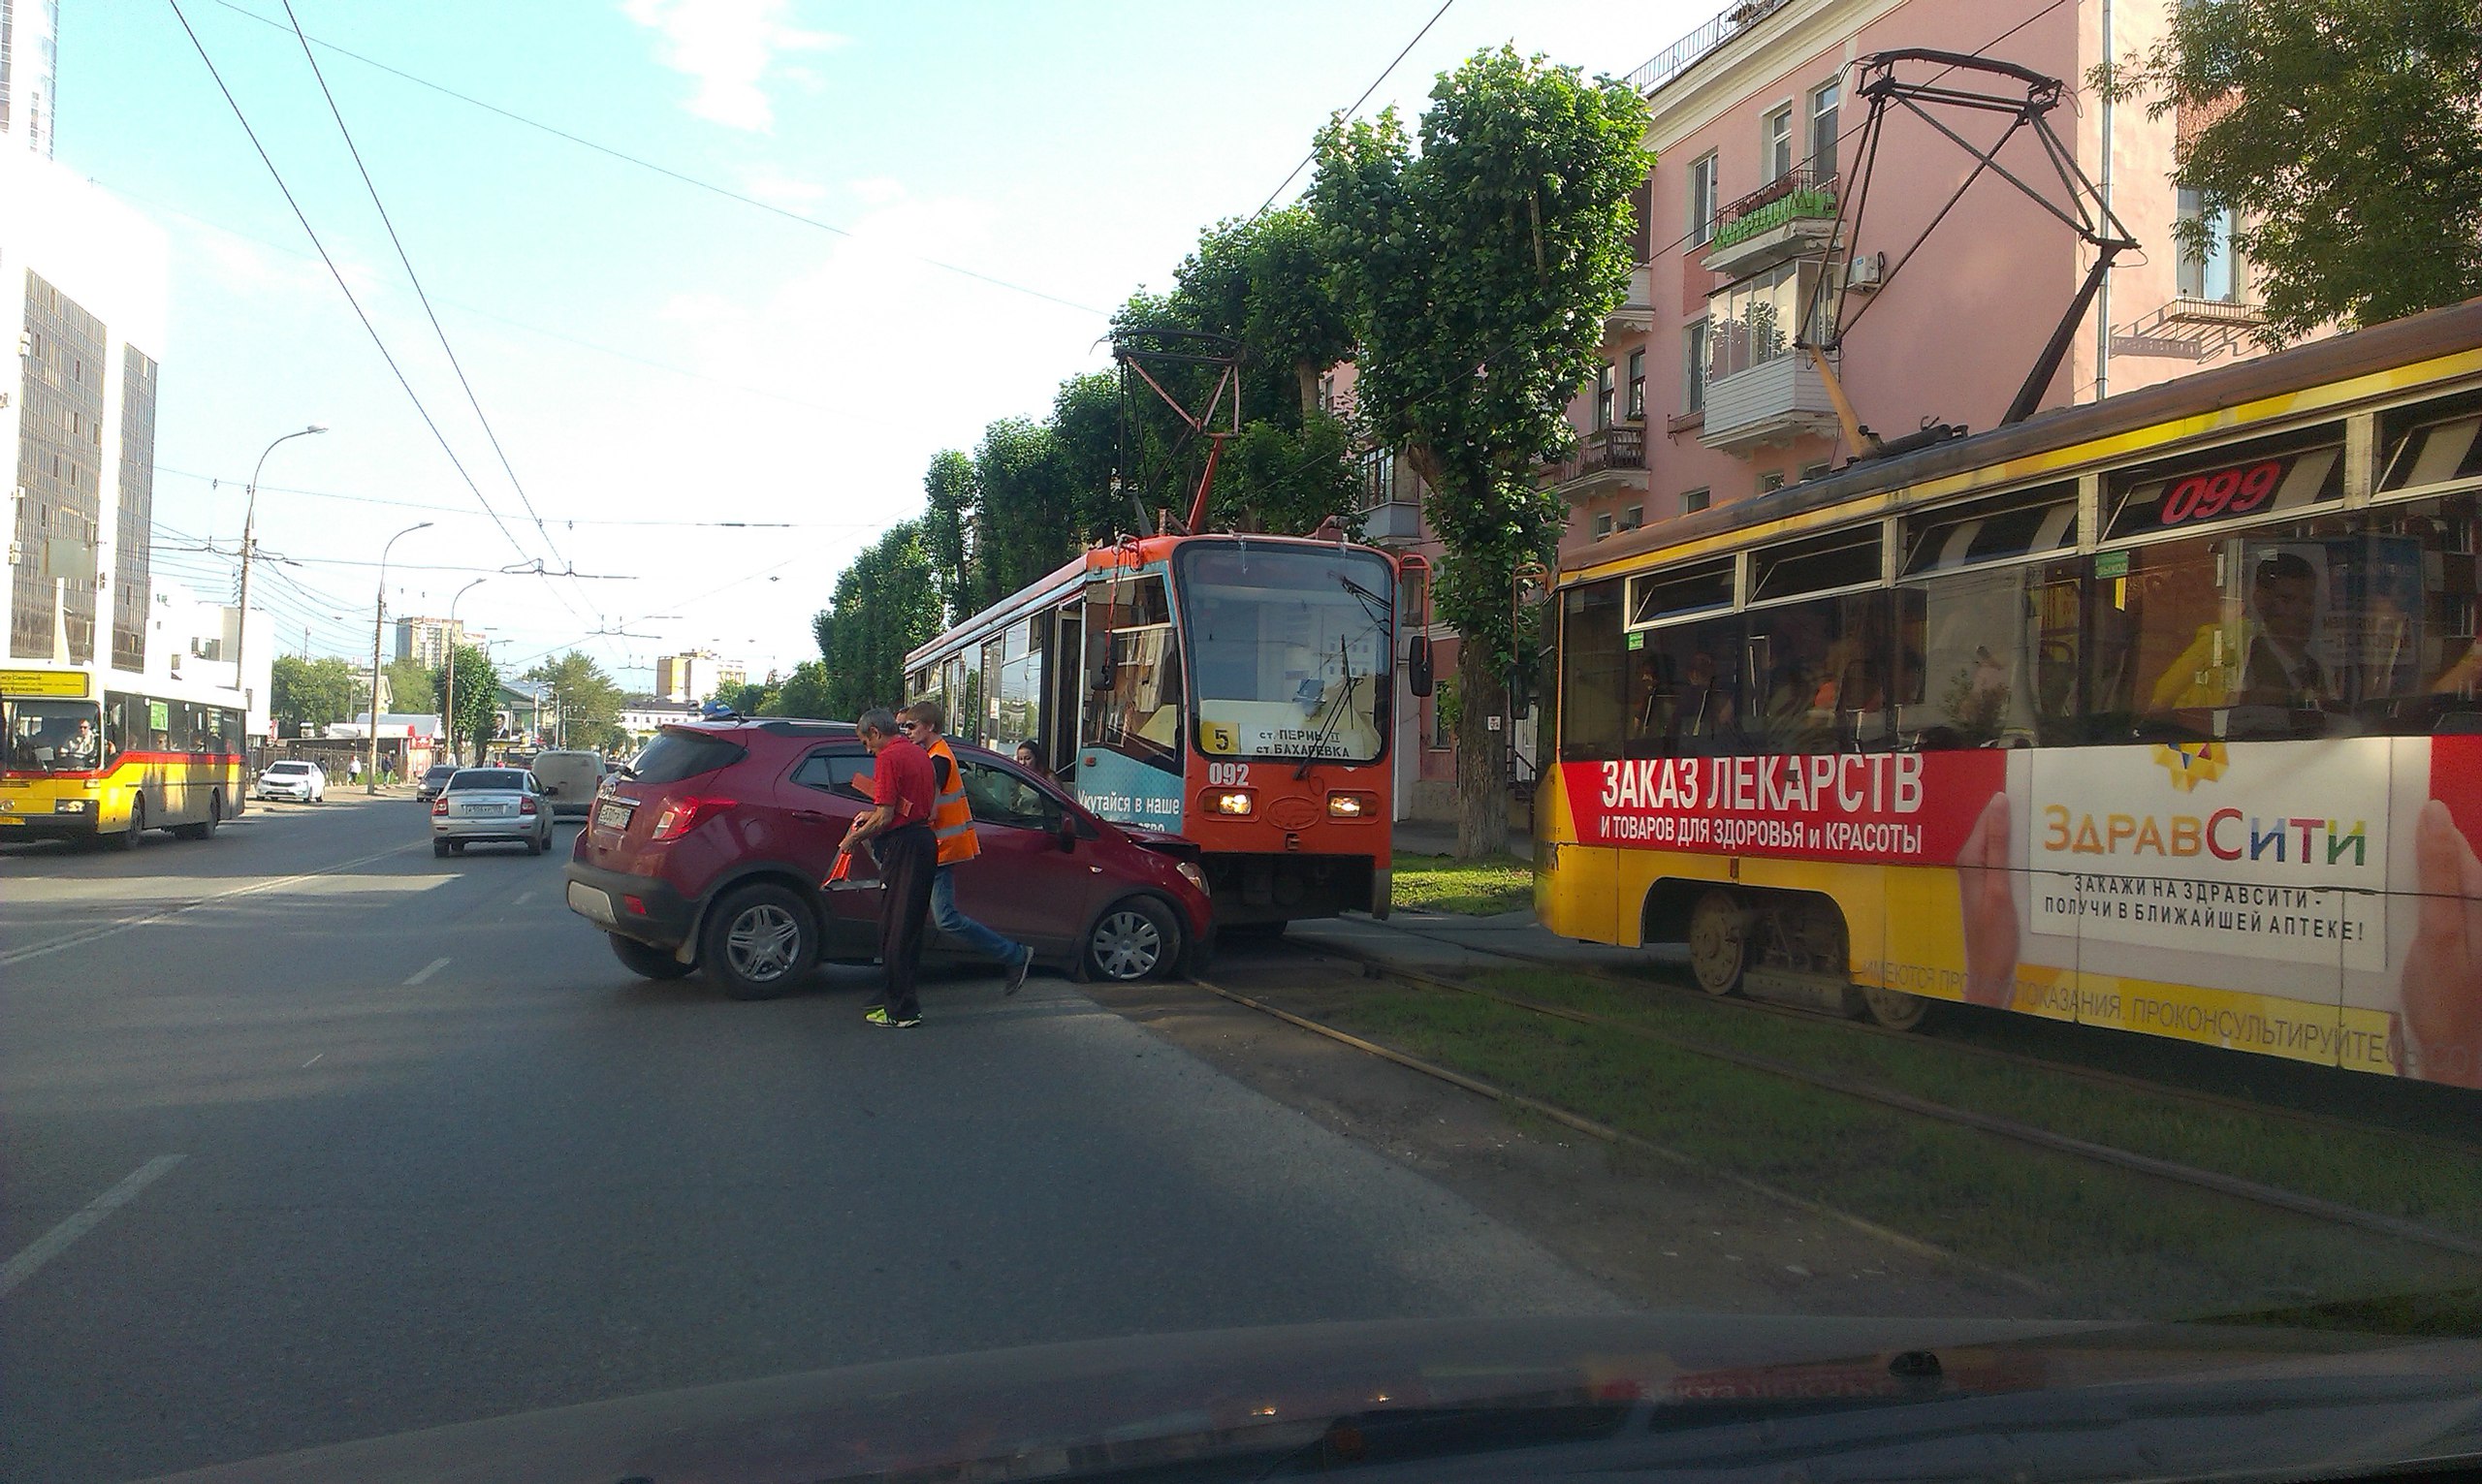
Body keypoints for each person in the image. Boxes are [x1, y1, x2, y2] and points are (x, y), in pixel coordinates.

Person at [903, 700, 1034, 995]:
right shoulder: (937, 755)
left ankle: (1014, 954)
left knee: (945, 919)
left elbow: (929, 811)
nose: (907, 731)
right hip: (938, 848)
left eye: (912, 726)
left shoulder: (937, 760)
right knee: (924, 915)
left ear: (930, 727)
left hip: (940, 849)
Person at [843, 708, 938, 1028]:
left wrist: (853, 839)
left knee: (893, 927)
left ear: (875, 732)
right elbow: (911, 806)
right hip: (924, 840)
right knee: (908, 926)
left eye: (866, 742)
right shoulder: (919, 753)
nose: (867, 750)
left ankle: (901, 1009)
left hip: (904, 845)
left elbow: (885, 815)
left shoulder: (888, 758)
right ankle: (899, 998)